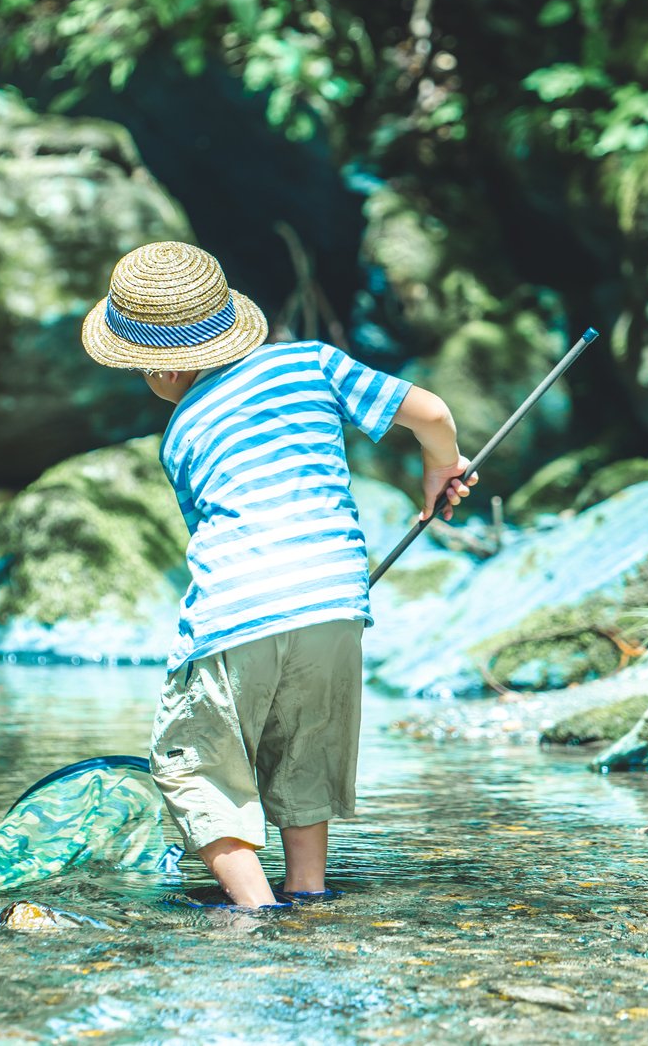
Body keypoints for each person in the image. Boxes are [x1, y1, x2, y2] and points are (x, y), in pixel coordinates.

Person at [81, 241, 475, 911]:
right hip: (335, 605)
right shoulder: (311, 363)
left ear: (160, 369)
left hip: (239, 609)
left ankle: (256, 911)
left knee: (193, 766)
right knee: (303, 750)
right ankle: (309, 893)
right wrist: (444, 466)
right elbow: (432, 414)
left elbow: (211, 546)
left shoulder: (180, 434)